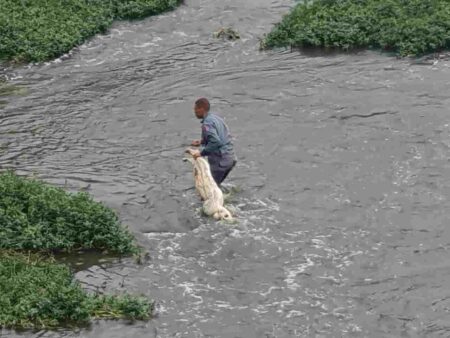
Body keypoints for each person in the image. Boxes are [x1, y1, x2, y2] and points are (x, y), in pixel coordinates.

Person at [190, 98, 237, 187]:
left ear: (201, 109)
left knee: (208, 188)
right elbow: (223, 136)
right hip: (231, 158)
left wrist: (201, 153)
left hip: (220, 162)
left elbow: (216, 142)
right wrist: (201, 142)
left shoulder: (207, 124)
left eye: (195, 109)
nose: (194, 112)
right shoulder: (216, 119)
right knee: (216, 186)